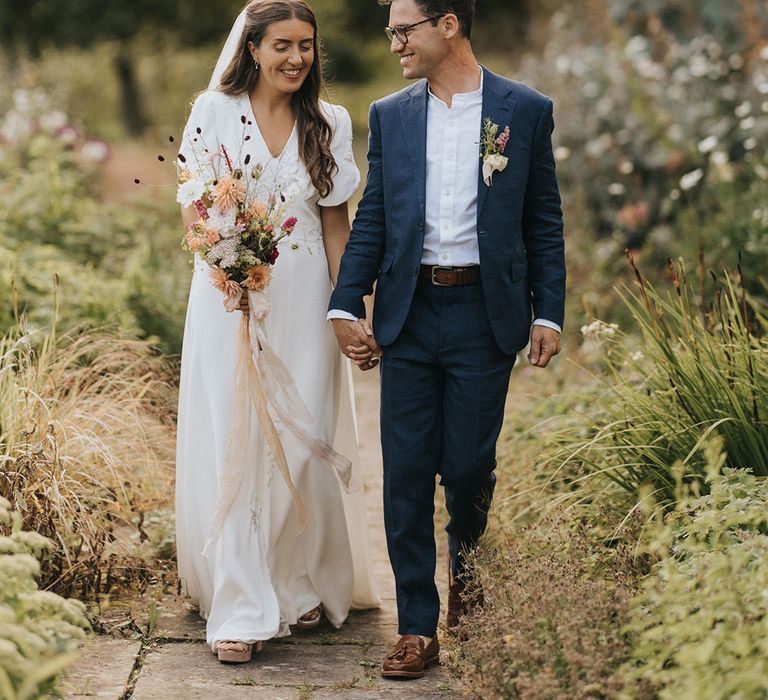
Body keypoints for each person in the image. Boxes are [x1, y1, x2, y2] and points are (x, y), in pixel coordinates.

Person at [328, 0, 566, 680]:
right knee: (404, 471)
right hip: (410, 310)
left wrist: (547, 312)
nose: (393, 41)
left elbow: (543, 218)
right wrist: (347, 300)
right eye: (391, 30)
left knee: (466, 467)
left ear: (449, 25)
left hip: (485, 315)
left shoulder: (524, 110)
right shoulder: (391, 114)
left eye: (404, 29)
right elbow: (373, 214)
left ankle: (467, 570)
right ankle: (415, 626)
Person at [175, 0, 379, 664]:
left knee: (298, 439)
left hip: (305, 297)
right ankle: (239, 603)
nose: (297, 58)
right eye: (283, 45)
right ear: (253, 48)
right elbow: (195, 208)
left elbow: (335, 228)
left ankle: (294, 583)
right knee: (238, 439)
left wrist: (349, 307)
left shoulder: (328, 123)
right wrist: (225, 267)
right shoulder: (212, 111)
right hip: (228, 299)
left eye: (307, 46)